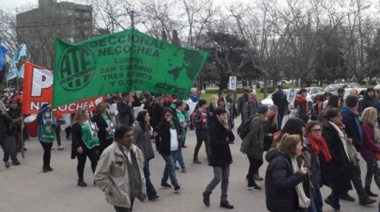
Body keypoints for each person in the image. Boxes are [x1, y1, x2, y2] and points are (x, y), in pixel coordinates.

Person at [95, 125, 147, 212]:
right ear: (119, 139)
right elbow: (100, 176)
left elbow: (140, 169)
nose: (131, 138)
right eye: (127, 136)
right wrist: (112, 190)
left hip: (132, 191)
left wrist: (142, 186)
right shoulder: (110, 152)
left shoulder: (136, 150)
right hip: (119, 195)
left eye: (131, 135)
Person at [341, 95, 376, 205]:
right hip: (350, 147)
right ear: (356, 104)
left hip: (354, 147)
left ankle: (338, 194)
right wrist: (356, 142)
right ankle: (362, 197)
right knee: (356, 173)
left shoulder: (351, 115)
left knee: (353, 173)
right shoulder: (347, 116)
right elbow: (348, 132)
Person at [265, 134, 309, 212]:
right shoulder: (280, 162)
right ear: (293, 148)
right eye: (299, 145)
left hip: (287, 203)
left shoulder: (291, 159)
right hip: (282, 205)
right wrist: (299, 174)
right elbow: (281, 184)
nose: (302, 147)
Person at [202, 107, 235, 209]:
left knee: (226, 179)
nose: (224, 116)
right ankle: (207, 192)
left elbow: (232, 138)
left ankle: (223, 200)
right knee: (217, 178)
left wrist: (227, 129)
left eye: (225, 114)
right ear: (217, 116)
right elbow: (214, 143)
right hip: (217, 156)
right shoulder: (213, 127)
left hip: (226, 155)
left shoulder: (224, 125)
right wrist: (225, 140)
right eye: (222, 115)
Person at [322, 107, 352, 211]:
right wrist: (337, 158)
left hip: (342, 158)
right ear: (332, 118)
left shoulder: (337, 127)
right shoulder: (329, 130)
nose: (341, 117)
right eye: (338, 116)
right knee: (339, 183)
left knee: (340, 183)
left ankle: (334, 201)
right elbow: (328, 148)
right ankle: (334, 202)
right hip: (336, 162)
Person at [305, 121, 332, 212]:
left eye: (319, 130)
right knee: (315, 206)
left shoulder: (321, 142)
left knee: (319, 203)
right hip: (311, 181)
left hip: (317, 180)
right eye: (315, 130)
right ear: (309, 132)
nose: (318, 132)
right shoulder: (308, 145)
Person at [240, 105, 269, 190]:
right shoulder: (257, 119)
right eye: (267, 111)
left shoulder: (258, 118)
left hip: (253, 146)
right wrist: (257, 144)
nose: (268, 112)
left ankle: (249, 177)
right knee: (254, 163)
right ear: (264, 112)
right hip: (252, 146)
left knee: (258, 162)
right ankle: (251, 184)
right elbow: (253, 132)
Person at [133, 110, 159, 201]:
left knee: (144, 174)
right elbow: (133, 141)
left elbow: (147, 137)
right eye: (147, 115)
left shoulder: (146, 126)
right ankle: (151, 193)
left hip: (147, 153)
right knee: (146, 174)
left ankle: (142, 192)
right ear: (143, 117)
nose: (149, 117)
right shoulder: (137, 128)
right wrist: (137, 151)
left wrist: (153, 136)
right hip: (141, 154)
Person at [71, 108, 100, 187]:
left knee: (95, 162)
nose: (89, 114)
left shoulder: (90, 122)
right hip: (82, 147)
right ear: (82, 114)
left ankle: (96, 179)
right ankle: (80, 180)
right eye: (87, 113)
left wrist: (96, 130)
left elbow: (92, 132)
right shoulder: (76, 125)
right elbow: (75, 137)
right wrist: (78, 147)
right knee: (81, 163)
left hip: (91, 146)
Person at [157, 108, 182, 192]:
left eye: (170, 115)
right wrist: (167, 124)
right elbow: (163, 134)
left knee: (168, 166)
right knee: (171, 167)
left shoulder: (175, 122)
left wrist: (179, 134)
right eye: (166, 115)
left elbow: (180, 130)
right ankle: (175, 185)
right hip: (166, 149)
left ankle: (163, 182)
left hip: (175, 148)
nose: (169, 117)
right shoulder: (162, 124)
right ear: (163, 116)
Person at [360, 107, 380, 198]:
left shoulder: (370, 125)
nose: (377, 116)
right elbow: (368, 141)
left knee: (370, 170)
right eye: (375, 114)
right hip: (367, 152)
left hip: (368, 151)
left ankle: (366, 189)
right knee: (377, 172)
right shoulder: (366, 126)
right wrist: (378, 148)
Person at [37, 104, 58, 173]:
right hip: (43, 135)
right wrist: (47, 107)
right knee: (47, 150)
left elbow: (56, 126)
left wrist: (53, 124)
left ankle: (48, 165)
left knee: (48, 151)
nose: (49, 110)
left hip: (50, 136)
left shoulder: (52, 116)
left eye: (50, 109)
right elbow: (39, 113)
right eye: (48, 109)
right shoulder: (41, 117)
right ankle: (44, 166)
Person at [193, 99, 211, 164]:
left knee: (208, 144)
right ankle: (195, 157)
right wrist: (201, 121)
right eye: (205, 104)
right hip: (200, 130)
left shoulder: (206, 110)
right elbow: (195, 120)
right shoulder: (199, 111)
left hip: (206, 130)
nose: (206, 105)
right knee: (199, 144)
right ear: (203, 104)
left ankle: (210, 159)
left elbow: (210, 116)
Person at [6, 98, 23, 165]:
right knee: (13, 146)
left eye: (15, 103)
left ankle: (14, 157)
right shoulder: (7, 112)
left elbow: (21, 118)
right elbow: (11, 121)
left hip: (18, 130)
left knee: (17, 145)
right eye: (12, 103)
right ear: (9, 104)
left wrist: (22, 124)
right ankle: (14, 160)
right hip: (10, 131)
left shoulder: (18, 110)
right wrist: (19, 119)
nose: (14, 104)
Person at [173, 100, 187, 172]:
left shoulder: (181, 112)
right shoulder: (175, 113)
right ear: (179, 106)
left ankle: (173, 164)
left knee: (177, 150)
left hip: (182, 132)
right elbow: (177, 123)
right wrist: (180, 122)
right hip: (179, 133)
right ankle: (183, 166)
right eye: (183, 105)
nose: (184, 106)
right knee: (178, 150)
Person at [0, 102, 13, 168]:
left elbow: (11, 121)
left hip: (4, 135)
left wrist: (4, 114)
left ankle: (6, 160)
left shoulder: (3, 115)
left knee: (7, 149)